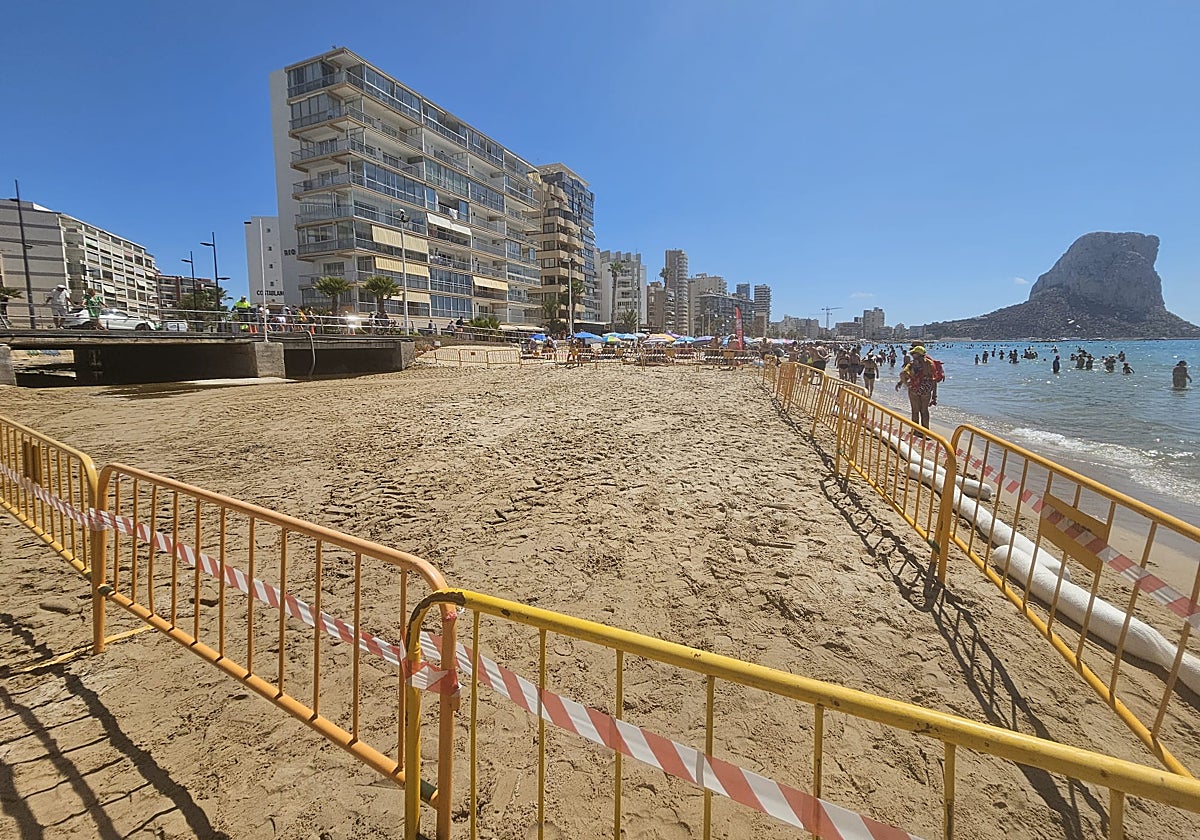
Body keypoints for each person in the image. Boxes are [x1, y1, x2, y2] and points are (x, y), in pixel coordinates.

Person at [896, 345, 937, 429]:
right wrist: (934, 395)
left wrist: (904, 383)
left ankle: (916, 430)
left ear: (917, 354)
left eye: (914, 353)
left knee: (915, 411)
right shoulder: (930, 363)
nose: (912, 354)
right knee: (924, 411)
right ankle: (925, 431)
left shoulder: (912, 364)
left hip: (914, 388)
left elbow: (903, 374)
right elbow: (934, 379)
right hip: (926, 389)